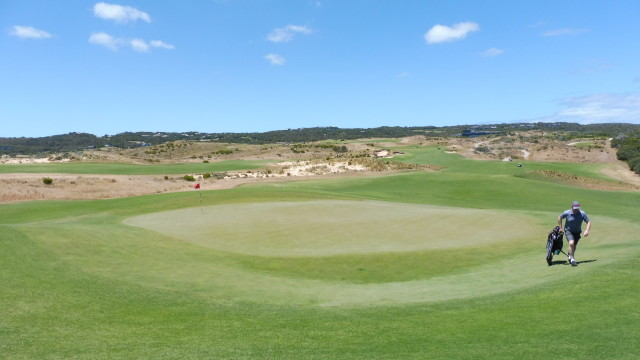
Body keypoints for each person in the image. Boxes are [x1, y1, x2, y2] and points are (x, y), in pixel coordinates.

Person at [557, 201, 592, 267]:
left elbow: (588, 222)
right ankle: (572, 259)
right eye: (574, 208)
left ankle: (570, 255)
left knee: (574, 246)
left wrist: (587, 230)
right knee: (571, 243)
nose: (576, 210)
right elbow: (560, 217)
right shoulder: (567, 213)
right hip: (568, 231)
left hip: (577, 232)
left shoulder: (582, 213)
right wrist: (560, 227)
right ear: (572, 207)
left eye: (577, 208)